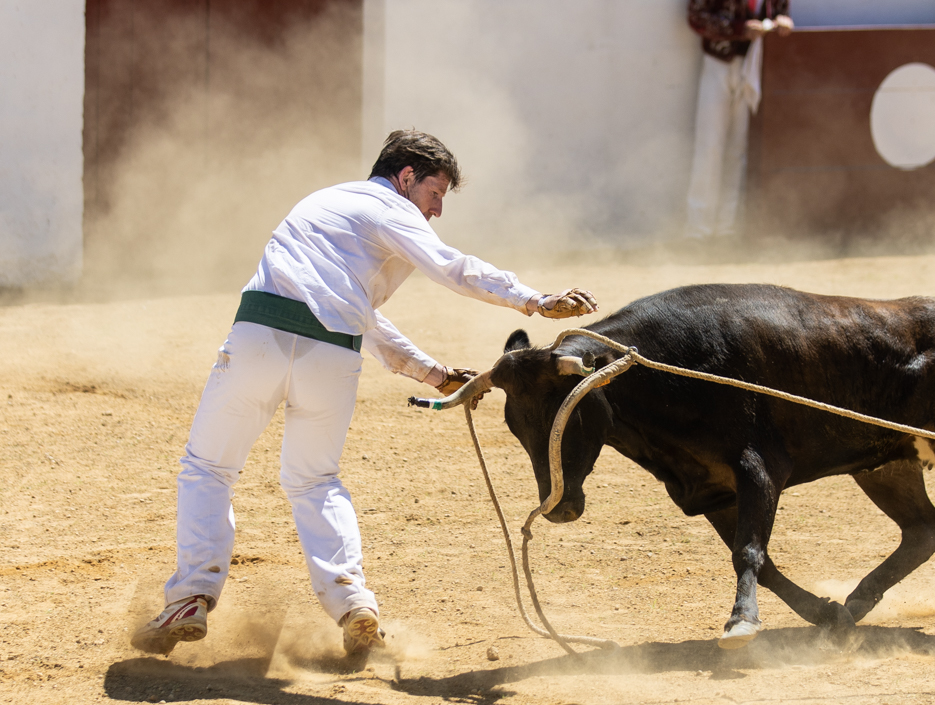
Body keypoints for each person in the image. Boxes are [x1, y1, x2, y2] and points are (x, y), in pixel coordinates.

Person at [131, 129, 599, 658]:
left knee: (209, 468)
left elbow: (355, 310)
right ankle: (354, 603)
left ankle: (190, 596)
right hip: (331, 356)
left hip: (259, 338)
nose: (437, 209)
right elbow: (451, 268)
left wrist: (432, 373)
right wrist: (533, 300)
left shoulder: (326, 204)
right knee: (314, 480)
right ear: (405, 177)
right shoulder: (388, 210)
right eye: (435, 193)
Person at [684, 0, 793, 239]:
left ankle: (727, 229)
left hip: (753, 63)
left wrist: (781, 20)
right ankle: (697, 231)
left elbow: (779, 9)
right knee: (709, 146)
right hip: (718, 62)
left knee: (738, 149)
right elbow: (697, 16)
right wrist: (739, 29)